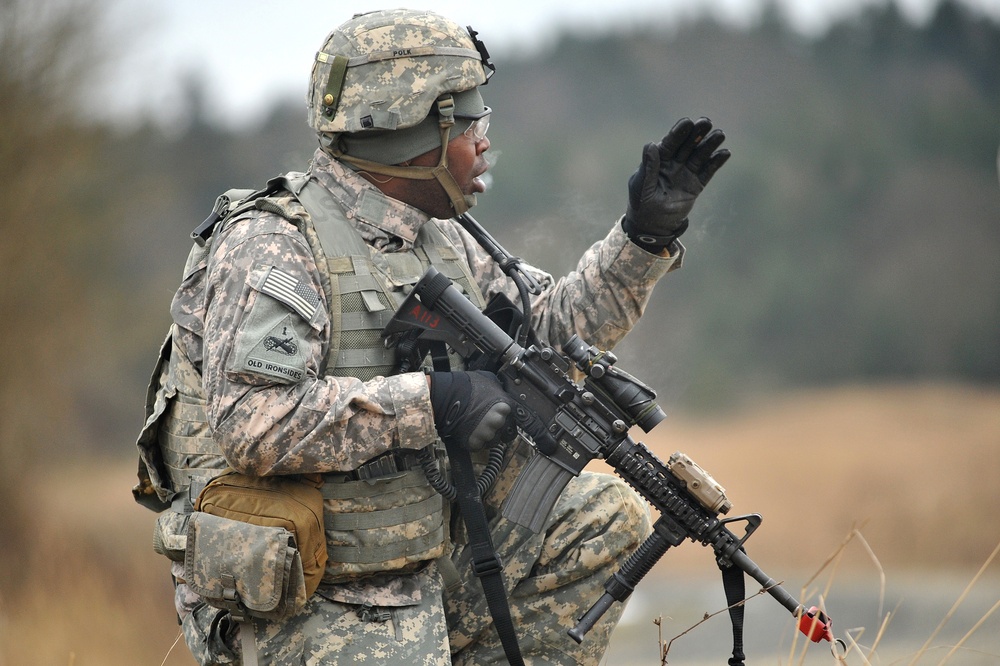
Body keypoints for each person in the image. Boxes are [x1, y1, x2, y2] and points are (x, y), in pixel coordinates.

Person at [133, 8, 729, 666]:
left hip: (413, 553)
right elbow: (253, 422)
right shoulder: (275, 241)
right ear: (408, 131)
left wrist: (641, 240)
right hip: (307, 588)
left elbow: (551, 328)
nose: (484, 144)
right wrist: (433, 403)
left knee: (602, 520)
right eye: (470, 124)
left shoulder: (438, 237)